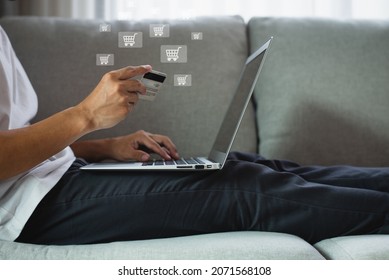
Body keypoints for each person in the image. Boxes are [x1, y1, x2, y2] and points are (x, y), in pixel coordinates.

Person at [1, 26, 388, 246]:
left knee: (244, 164)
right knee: (243, 188)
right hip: (28, 210)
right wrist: (86, 115)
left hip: (52, 177)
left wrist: (105, 146)